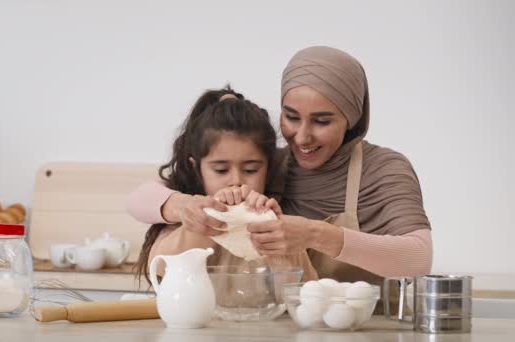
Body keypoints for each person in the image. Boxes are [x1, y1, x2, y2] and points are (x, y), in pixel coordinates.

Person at [128, 46, 432, 295]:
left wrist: (315, 234)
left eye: (322, 121)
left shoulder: (384, 170)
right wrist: (185, 207)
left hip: (371, 328)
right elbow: (141, 198)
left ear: (351, 119)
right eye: (291, 117)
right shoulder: (266, 164)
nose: (302, 137)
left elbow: (418, 258)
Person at [133, 86, 317, 285]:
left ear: (268, 168)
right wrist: (208, 218)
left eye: (251, 170)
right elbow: (164, 271)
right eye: (221, 170)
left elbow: (306, 293)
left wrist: (273, 231)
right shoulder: (186, 218)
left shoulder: (277, 214)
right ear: (197, 168)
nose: (236, 180)